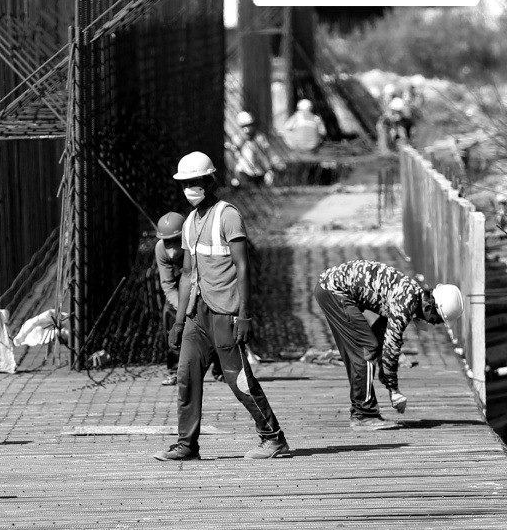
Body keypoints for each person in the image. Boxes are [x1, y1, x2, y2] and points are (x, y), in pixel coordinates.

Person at [154, 151, 289, 461]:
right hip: (196, 314)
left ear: (210, 181)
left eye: (196, 182)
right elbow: (187, 274)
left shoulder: (227, 215)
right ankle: (187, 445)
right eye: (185, 183)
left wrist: (245, 315)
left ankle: (273, 438)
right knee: (187, 377)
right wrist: (179, 321)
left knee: (238, 379)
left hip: (225, 313)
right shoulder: (189, 222)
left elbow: (243, 266)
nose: (190, 188)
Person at [314, 260, 464, 430]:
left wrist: (389, 383)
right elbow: (390, 349)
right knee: (367, 349)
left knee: (365, 349)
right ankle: (364, 415)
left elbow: (383, 341)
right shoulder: (405, 303)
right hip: (334, 292)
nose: (433, 324)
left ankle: (363, 412)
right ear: (430, 307)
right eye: (436, 320)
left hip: (329, 289)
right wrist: (394, 390)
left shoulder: (410, 295)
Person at [155, 212, 222, 386]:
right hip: (180, 288)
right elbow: (168, 285)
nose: (170, 249)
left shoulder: (199, 245)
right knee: (170, 317)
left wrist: (197, 304)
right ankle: (175, 370)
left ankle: (220, 369)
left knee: (213, 322)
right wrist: (182, 309)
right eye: (166, 242)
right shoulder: (160, 249)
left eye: (175, 241)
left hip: (205, 285)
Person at [229, 111, 283, 188]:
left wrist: (272, 166)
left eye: (250, 125)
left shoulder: (260, 138)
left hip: (260, 171)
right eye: (244, 126)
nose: (247, 129)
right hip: (244, 171)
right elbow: (234, 155)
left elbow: (268, 152)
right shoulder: (237, 139)